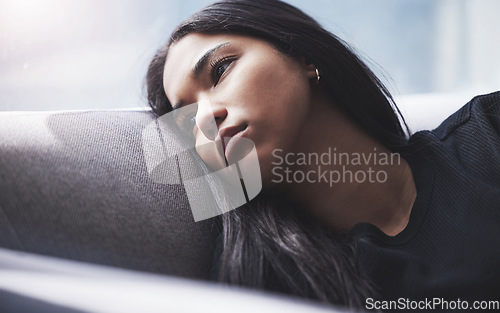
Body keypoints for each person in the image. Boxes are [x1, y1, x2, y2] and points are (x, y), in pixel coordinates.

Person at [145, 0, 500, 310]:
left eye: (221, 70)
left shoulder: (488, 132)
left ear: (303, 55)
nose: (206, 119)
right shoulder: (270, 286)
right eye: (186, 119)